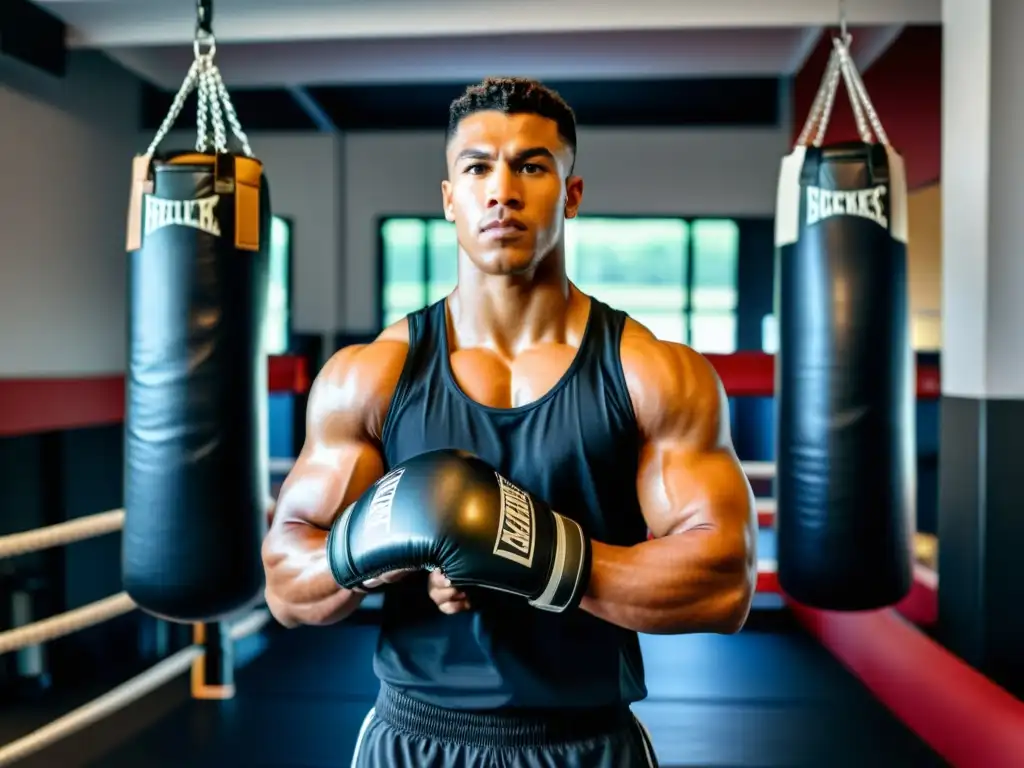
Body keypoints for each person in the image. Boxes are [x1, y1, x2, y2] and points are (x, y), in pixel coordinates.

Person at [262, 76, 757, 767]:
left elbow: (726, 583)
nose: (503, 190)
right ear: (449, 199)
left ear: (572, 195)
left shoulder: (653, 373)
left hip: (583, 744)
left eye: (532, 165)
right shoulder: (369, 375)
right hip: (414, 740)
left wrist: (539, 557)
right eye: (477, 167)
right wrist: (392, 551)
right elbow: (287, 587)